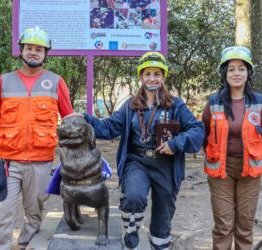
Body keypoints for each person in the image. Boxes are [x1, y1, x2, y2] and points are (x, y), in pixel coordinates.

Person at [79, 51, 204, 249]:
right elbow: (110, 127)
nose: (152, 78)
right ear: (141, 77)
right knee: (133, 197)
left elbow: (197, 130)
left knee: (162, 218)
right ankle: (131, 228)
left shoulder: (176, 105)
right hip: (137, 161)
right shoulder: (130, 105)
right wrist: (87, 121)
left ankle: (159, 244)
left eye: (157, 74)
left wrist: (175, 143)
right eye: (147, 74)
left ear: (163, 77)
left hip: (166, 165)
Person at [0, 26, 73, 250]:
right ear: (21, 51)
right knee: (1, 213)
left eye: (39, 49)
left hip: (41, 163)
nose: (33, 52)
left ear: (45, 54)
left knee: (34, 215)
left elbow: (71, 122)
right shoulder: (4, 82)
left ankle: (26, 246)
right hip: (8, 163)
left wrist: (71, 158)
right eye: (29, 48)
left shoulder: (56, 81)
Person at [202, 46, 262, 250]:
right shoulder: (213, 102)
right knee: (223, 225)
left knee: (245, 224)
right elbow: (204, 134)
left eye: (241, 69)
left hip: (250, 169)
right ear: (224, 73)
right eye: (231, 69)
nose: (236, 73)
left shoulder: (259, 102)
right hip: (220, 170)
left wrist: (252, 154)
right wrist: (217, 154)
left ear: (248, 72)